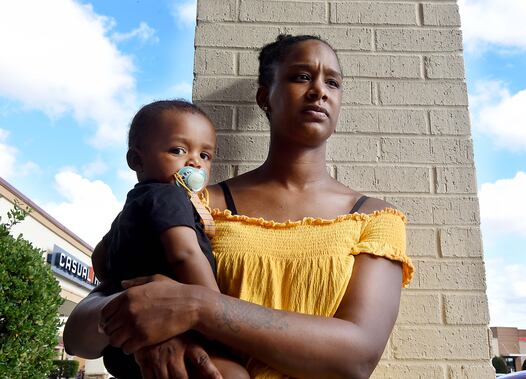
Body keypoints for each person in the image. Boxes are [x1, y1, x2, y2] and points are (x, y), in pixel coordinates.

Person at [64, 34, 414, 379]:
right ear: (265, 97)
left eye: (333, 83)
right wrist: (149, 332)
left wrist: (199, 307)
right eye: (301, 76)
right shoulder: (193, 202)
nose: (320, 90)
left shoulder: (374, 218)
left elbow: (357, 357)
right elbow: (80, 331)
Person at [90, 100, 249, 378]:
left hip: (123, 342)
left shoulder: (132, 206)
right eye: (178, 150)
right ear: (137, 160)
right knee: (235, 374)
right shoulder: (169, 196)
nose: (194, 162)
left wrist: (119, 283)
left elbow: (99, 259)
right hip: (166, 332)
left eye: (205, 155)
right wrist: (219, 317)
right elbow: (185, 254)